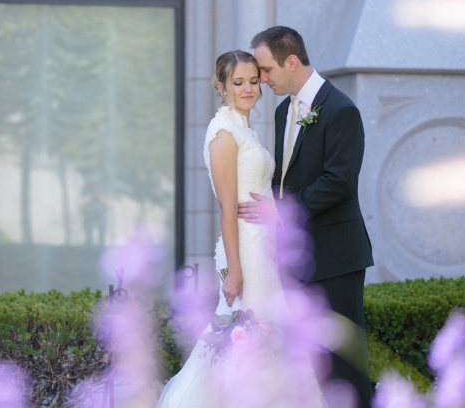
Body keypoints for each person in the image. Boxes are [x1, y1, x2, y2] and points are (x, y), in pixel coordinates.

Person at [157, 51, 323, 407]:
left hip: (264, 249)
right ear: (221, 87)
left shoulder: (244, 128)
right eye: (238, 83)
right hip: (245, 251)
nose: (248, 88)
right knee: (246, 336)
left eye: (252, 81)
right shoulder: (223, 133)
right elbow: (227, 206)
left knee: (270, 335)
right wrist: (234, 270)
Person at [238, 26, 374, 408]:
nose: (262, 80)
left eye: (266, 70)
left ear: (292, 61)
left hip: (336, 256)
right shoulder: (285, 111)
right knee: (309, 357)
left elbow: (339, 182)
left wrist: (279, 209)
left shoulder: (342, 110)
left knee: (344, 361)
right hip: (298, 255)